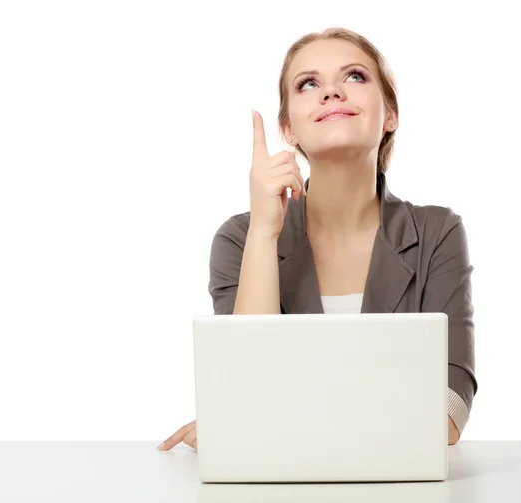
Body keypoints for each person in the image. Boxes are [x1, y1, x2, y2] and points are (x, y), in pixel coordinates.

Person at [157, 27, 478, 452]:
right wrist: (264, 233)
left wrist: (267, 420)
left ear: (390, 116)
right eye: (309, 84)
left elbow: (448, 413)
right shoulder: (240, 239)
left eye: (354, 77)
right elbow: (247, 393)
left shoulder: (438, 233)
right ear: (288, 128)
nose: (331, 93)